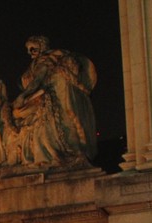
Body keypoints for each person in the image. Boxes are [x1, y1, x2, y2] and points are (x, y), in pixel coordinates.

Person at [9, 35, 97, 167]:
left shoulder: (47, 58)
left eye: (32, 49)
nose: (29, 53)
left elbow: (38, 79)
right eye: (28, 50)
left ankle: (50, 156)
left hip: (52, 97)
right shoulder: (42, 61)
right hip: (45, 97)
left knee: (48, 125)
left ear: (41, 46)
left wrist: (23, 96)